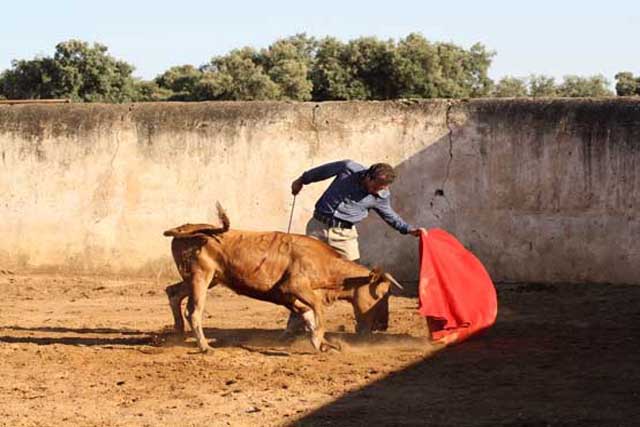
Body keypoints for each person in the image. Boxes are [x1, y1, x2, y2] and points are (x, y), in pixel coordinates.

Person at [284, 159, 426, 335]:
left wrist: (408, 229)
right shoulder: (348, 169)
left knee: (359, 280)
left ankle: (367, 328)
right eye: (376, 186)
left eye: (382, 188)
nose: (377, 191)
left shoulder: (381, 195)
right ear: (367, 176)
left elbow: (390, 216)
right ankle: (295, 327)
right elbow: (322, 171)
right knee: (305, 277)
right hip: (318, 228)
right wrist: (302, 180)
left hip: (345, 236)